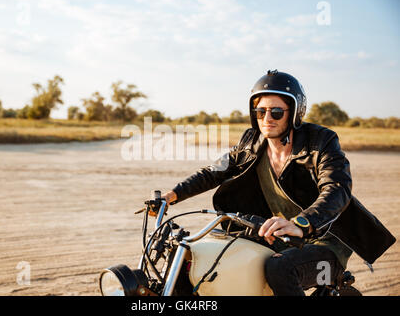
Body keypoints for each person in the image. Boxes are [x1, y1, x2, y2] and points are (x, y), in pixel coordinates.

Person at [162, 70, 396, 295]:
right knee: (195, 255)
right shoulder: (250, 141)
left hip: (325, 241)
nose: (267, 118)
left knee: (281, 268)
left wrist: (303, 224)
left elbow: (337, 188)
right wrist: (172, 196)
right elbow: (213, 172)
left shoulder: (320, 141)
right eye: (260, 111)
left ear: (294, 112)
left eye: (276, 112)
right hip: (277, 235)